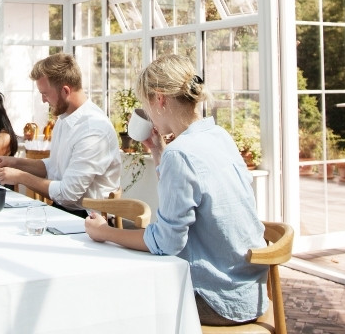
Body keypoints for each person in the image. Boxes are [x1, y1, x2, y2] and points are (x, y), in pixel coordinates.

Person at [84, 55, 268, 326]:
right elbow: (188, 190)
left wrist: (104, 232)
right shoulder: (218, 136)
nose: (147, 112)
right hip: (251, 291)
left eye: (146, 103)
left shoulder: (180, 154)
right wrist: (158, 151)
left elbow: (167, 243)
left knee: (112, 297)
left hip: (215, 298)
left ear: (160, 99)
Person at [0, 53, 121, 216]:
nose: (43, 100)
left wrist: (20, 177)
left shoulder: (93, 130)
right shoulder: (64, 119)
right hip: (65, 210)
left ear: (65, 91)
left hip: (88, 218)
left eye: (45, 94)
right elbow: (53, 167)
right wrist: (15, 163)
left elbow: (68, 194)